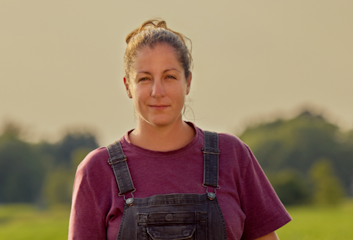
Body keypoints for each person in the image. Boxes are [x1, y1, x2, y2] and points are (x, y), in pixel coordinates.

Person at [68, 19, 291, 240]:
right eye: (145, 78)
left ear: (188, 82)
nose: (157, 91)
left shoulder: (232, 156)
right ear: (128, 86)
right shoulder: (96, 170)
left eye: (170, 76)